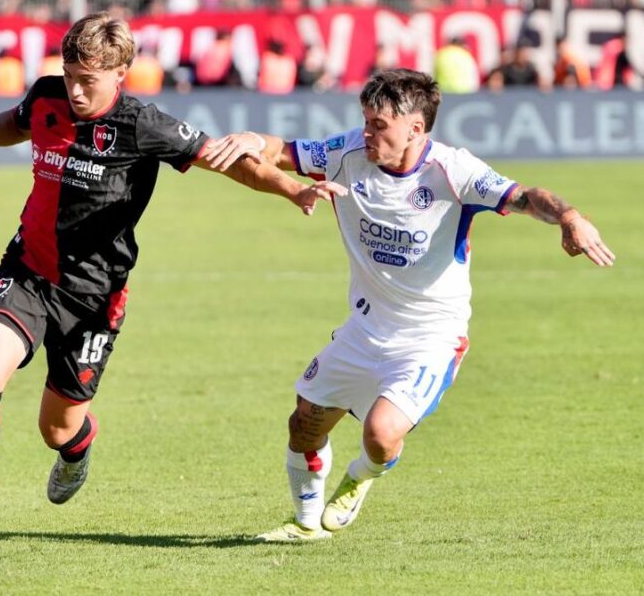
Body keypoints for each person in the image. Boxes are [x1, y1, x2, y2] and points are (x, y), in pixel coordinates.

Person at [0, 12, 344, 555]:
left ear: (122, 71)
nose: (75, 90)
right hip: (28, 269)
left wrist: (290, 189)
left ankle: (79, 448)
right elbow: (22, 119)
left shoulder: (145, 124)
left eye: (88, 81)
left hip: (94, 296)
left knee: (57, 430)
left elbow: (229, 162)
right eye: (69, 74)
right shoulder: (49, 94)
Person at [203, 68, 615, 542]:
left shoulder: (454, 171)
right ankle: (304, 523)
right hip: (364, 329)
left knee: (379, 435)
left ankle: (360, 477)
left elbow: (524, 196)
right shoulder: (346, 154)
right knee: (303, 424)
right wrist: (254, 138)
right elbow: (284, 150)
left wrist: (570, 217)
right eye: (366, 121)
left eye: (379, 124)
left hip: (432, 337)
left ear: (415, 128)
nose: (367, 132)